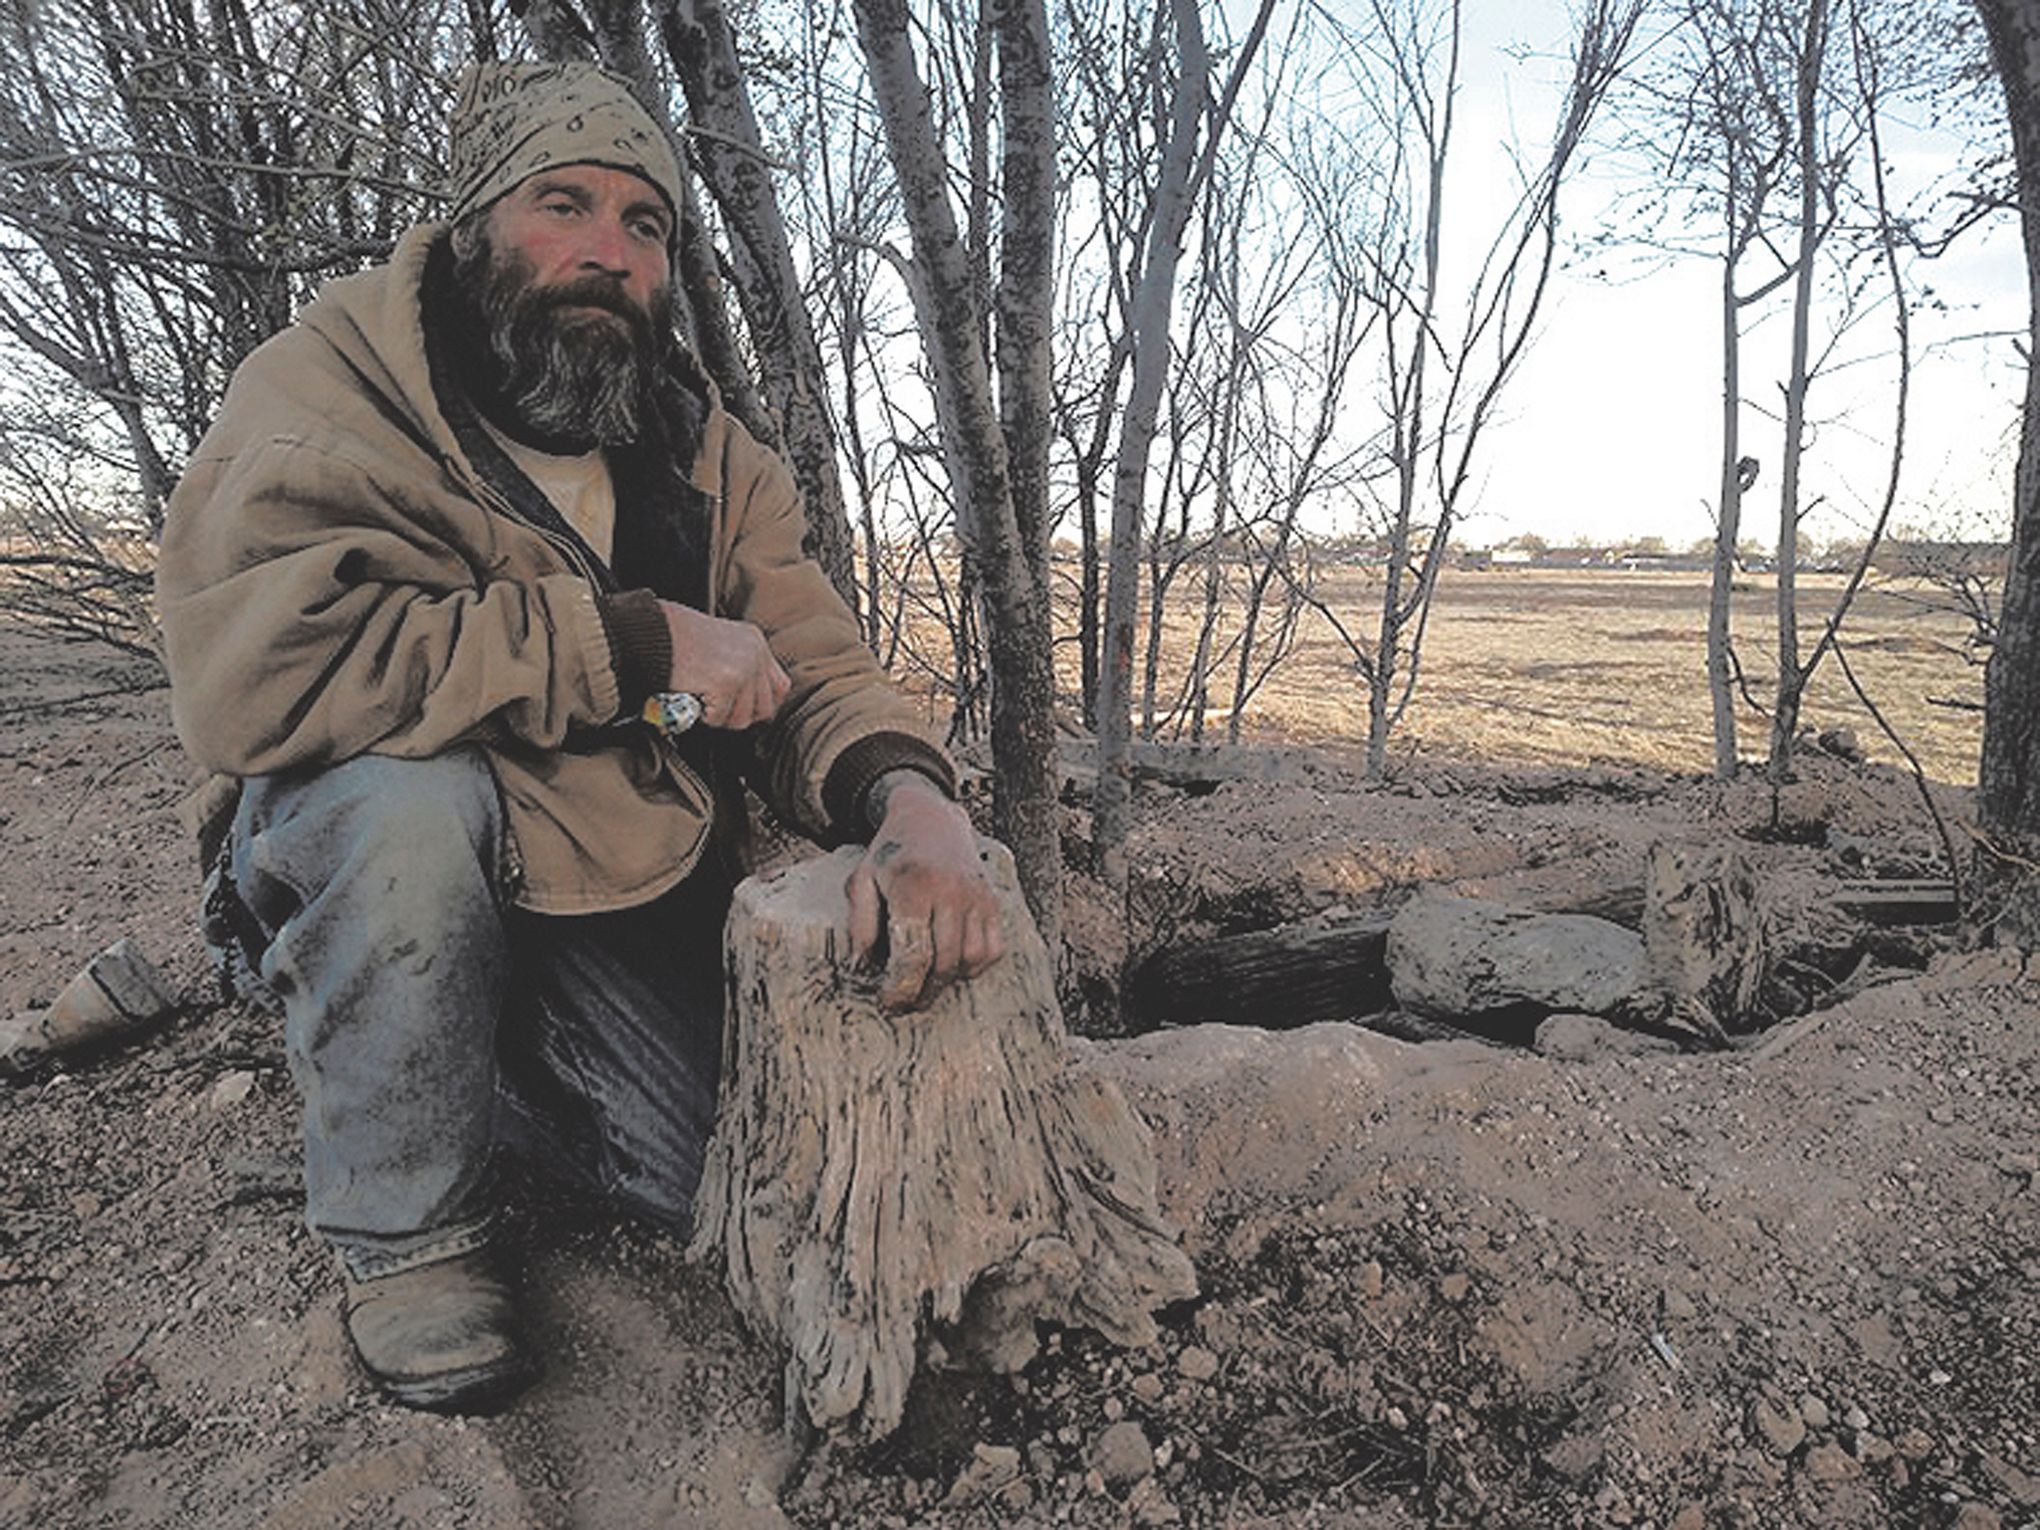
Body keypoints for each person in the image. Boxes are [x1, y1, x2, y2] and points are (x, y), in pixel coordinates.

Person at [154, 60, 1005, 1414]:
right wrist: (632, 646)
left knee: (700, 1177)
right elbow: (257, 682)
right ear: (478, 222)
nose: (606, 254)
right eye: (564, 207)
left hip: (601, 840)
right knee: (410, 814)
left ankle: (469, 1055)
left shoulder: (696, 448)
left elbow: (807, 658)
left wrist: (909, 797)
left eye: (643, 225)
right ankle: (407, 1228)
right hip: (384, 816)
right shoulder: (327, 392)